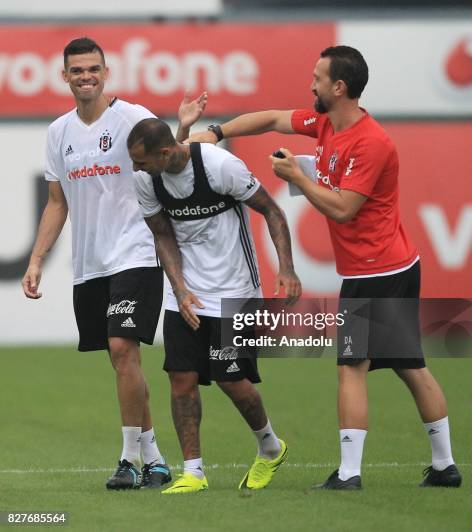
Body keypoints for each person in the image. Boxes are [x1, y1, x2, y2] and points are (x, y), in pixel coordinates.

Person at [183, 45, 462, 490]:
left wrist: (299, 178)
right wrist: (216, 133)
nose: (310, 84)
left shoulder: (371, 143)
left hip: (377, 270)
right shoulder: (327, 123)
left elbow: (344, 209)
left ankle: (349, 474)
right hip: (390, 265)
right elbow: (273, 118)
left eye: (317, 77)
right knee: (410, 364)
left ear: (339, 87)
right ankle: (445, 466)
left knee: (351, 368)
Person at [21, 37, 207, 491]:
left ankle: (126, 461)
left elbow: (170, 159)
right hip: (91, 262)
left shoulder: (132, 118)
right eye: (77, 70)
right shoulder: (58, 132)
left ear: (106, 73)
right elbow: (56, 203)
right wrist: (36, 258)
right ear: (64, 76)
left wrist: (183, 130)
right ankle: (156, 460)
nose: (86, 76)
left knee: (124, 350)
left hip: (137, 251)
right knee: (123, 362)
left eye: (94, 69)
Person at [127, 117, 301, 493]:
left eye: (141, 161)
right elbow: (162, 235)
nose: (135, 169)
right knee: (181, 379)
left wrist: (286, 269)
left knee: (230, 379)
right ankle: (194, 473)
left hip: (234, 291)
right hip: (185, 294)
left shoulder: (220, 167)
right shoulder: (147, 180)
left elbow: (272, 211)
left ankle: (270, 447)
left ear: (166, 152)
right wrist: (180, 288)